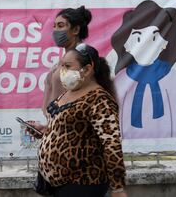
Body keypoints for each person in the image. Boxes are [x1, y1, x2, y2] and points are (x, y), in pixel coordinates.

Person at [29, 44, 127, 197]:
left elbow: (111, 145)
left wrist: (118, 188)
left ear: (87, 69)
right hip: (53, 181)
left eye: (67, 66)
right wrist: (45, 130)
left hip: (82, 182)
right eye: (61, 65)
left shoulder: (100, 100)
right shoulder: (69, 92)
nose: (62, 71)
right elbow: (68, 130)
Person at [111, 0, 176, 139]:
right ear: (127, 45)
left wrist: (174, 141)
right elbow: (117, 116)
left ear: (165, 43)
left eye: (153, 38)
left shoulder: (171, 76)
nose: (145, 46)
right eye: (138, 39)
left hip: (165, 140)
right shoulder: (122, 78)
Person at [43, 6, 92, 117]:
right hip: (57, 126)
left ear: (75, 30)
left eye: (61, 26)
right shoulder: (61, 62)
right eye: (54, 26)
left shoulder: (83, 59)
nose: (55, 30)